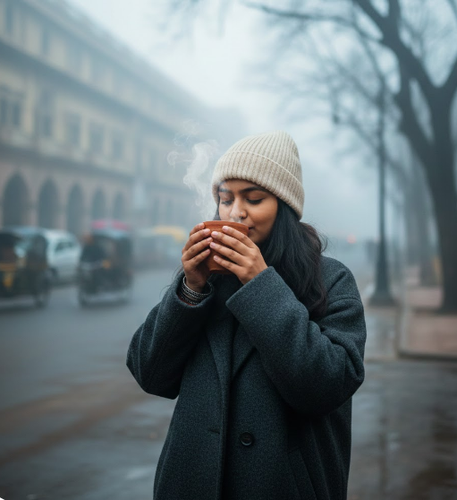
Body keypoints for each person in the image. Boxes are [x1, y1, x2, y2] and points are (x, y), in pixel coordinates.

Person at [127, 131, 367, 500]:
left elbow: (326, 386)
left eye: (254, 199)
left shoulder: (331, 279)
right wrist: (190, 288)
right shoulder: (207, 279)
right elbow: (150, 374)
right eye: (225, 199)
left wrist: (260, 283)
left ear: (284, 206)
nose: (235, 212)